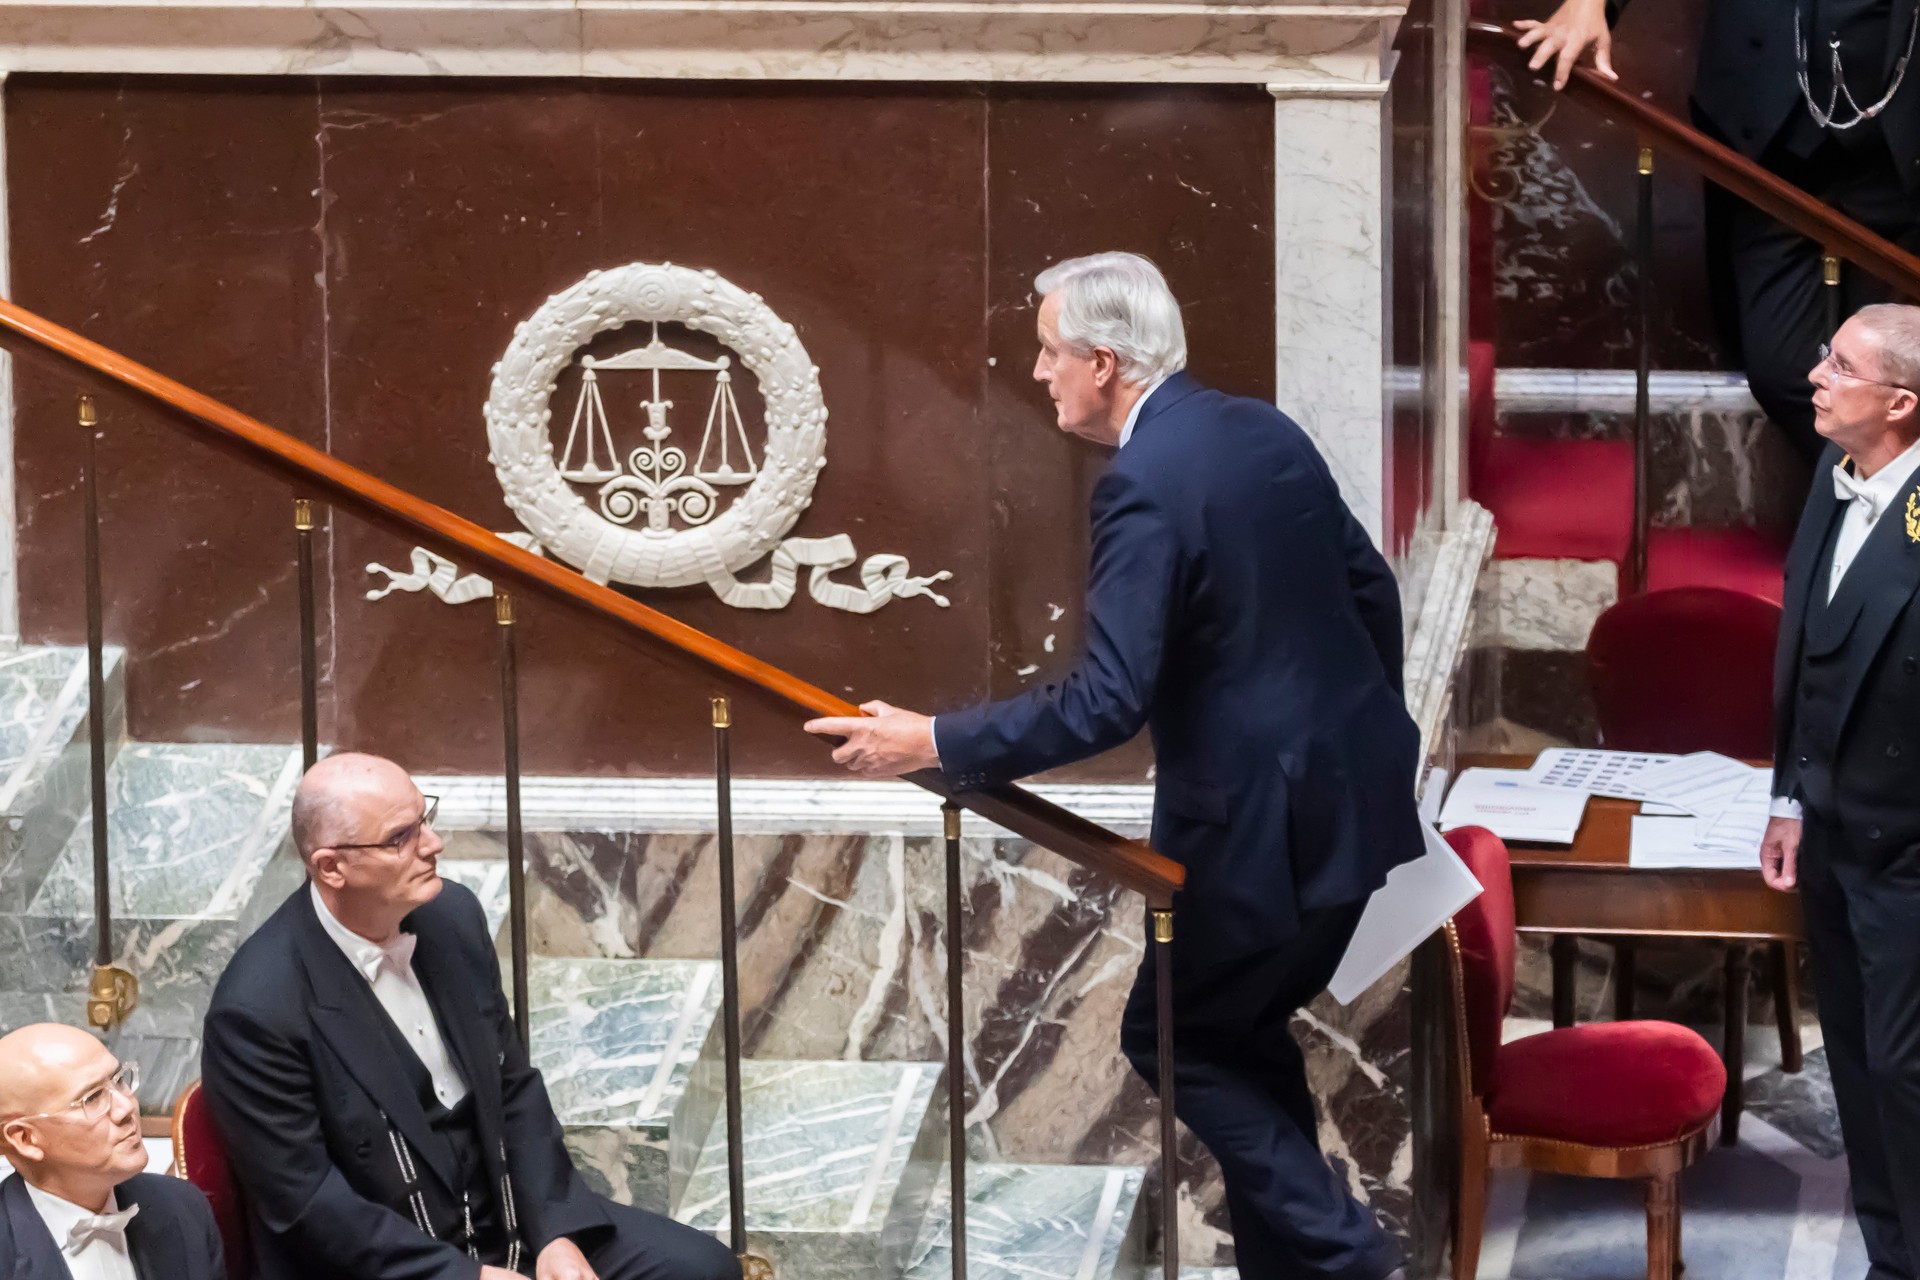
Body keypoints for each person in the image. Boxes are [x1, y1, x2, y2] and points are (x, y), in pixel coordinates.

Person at [804, 252, 1421, 1280]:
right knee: (1240, 1032)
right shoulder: (1258, 429)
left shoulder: (1144, 481)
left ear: (1104, 361)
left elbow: (1107, 696)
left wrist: (937, 742)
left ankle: (1349, 1253)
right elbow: (1374, 592)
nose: (1039, 373)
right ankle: (1306, 1267)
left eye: (1050, 352)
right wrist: (1356, 737)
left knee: (1172, 1036)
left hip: (1253, 835)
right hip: (1351, 805)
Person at [199, 753, 739, 1280]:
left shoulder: (451, 916)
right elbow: (313, 1208)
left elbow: (513, 1086)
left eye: (425, 819)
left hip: (508, 1222)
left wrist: (556, 1233)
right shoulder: (255, 1012)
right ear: (332, 867)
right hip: (391, 1259)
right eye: (400, 837)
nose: (433, 844)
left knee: (702, 1268)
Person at [1513, 0, 1920, 461]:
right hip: (1771, 145)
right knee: (1783, 372)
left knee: (1902, 371)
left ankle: (1883, 524)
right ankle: (1884, 514)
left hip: (1899, 149)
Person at [1762, 304, 1920, 1279]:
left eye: (1841, 365)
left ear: (1900, 402)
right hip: (1828, 832)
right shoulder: (1834, 475)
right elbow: (1803, 651)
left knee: (1909, 1074)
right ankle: (1888, 1256)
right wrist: (1788, 795)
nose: (1814, 374)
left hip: (1908, 852)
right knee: (1857, 1068)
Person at [0, 1022, 226, 1280]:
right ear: (25, 1138)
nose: (127, 1108)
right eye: (92, 1098)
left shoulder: (182, 1208)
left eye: (119, 1080)